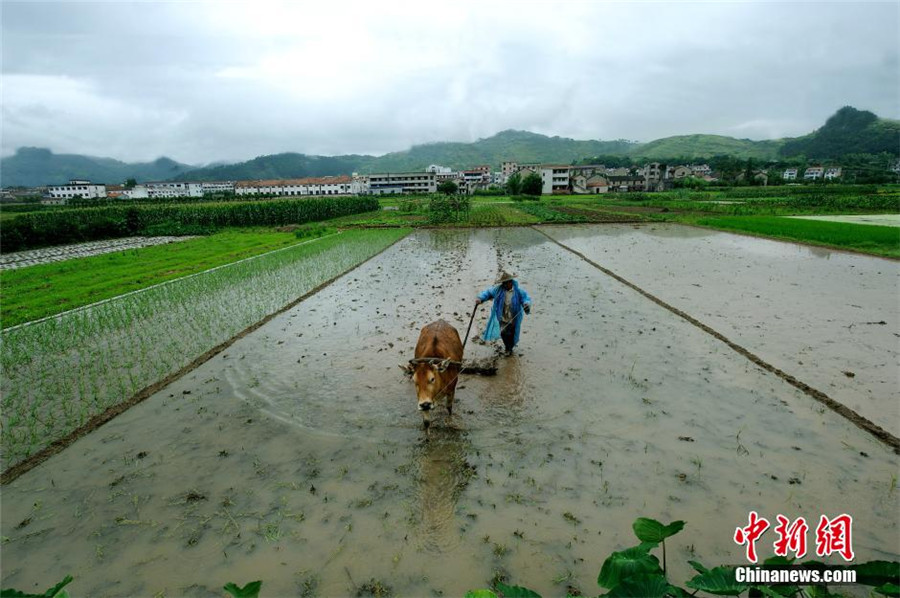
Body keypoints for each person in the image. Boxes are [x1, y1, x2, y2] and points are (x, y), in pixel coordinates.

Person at [475, 271, 532, 355]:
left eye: (506, 283)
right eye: (503, 283)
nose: (504, 285)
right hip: (502, 316)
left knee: (511, 333)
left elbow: (526, 299)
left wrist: (526, 304)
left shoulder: (518, 292)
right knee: (504, 333)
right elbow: (488, 293)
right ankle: (508, 348)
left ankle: (509, 349)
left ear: (511, 282)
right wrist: (480, 298)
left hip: (513, 317)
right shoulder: (498, 290)